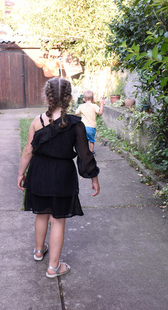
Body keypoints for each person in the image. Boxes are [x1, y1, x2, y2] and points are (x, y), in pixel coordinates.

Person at [17, 77, 100, 279]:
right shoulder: (74, 124)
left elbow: (28, 150)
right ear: (70, 98)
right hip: (62, 175)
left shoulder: (38, 121)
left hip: (38, 173)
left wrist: (21, 173)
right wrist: (94, 178)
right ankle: (53, 268)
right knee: (58, 220)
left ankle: (38, 251)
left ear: (47, 97)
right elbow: (84, 154)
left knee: (41, 214)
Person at [74, 90, 104, 154]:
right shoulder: (94, 106)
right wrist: (101, 104)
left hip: (82, 127)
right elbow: (100, 113)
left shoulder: (81, 106)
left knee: (83, 140)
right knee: (91, 141)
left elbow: (76, 113)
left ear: (84, 99)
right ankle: (91, 153)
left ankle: (83, 152)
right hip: (91, 127)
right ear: (93, 99)